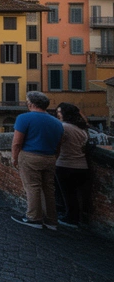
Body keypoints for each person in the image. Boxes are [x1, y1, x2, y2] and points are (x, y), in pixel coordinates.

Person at [12, 90, 64, 229]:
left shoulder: (24, 118)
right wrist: (54, 157)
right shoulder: (57, 123)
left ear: (30, 104)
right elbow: (59, 144)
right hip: (50, 157)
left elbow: (17, 142)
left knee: (32, 187)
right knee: (48, 189)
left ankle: (34, 218)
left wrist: (14, 158)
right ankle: (51, 220)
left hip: (30, 156)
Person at [54, 102, 90, 228]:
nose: (58, 114)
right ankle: (75, 217)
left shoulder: (63, 127)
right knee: (75, 194)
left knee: (67, 194)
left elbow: (56, 144)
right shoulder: (82, 129)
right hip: (82, 166)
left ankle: (71, 218)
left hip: (65, 165)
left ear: (65, 114)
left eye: (59, 112)